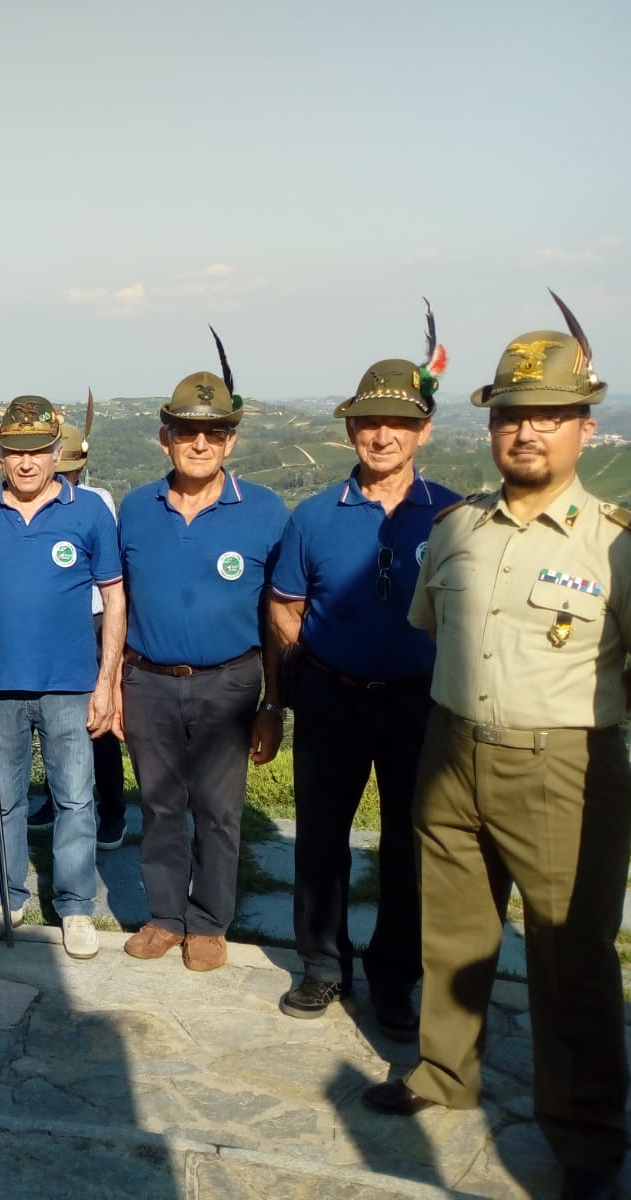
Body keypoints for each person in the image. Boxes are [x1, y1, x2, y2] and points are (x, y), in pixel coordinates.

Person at [362, 296, 631, 1200]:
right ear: (490, 427)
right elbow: (437, 629)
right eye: (513, 415)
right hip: (451, 748)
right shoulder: (457, 529)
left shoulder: (614, 545)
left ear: (585, 428)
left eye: (551, 415)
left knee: (570, 958)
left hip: (564, 766)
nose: (528, 431)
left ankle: (587, 1137)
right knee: (453, 928)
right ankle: (446, 1071)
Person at [266, 321, 458, 1034]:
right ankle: (322, 965)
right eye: (369, 423)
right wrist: (316, 662)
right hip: (332, 697)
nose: (383, 436)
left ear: (423, 431)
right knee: (321, 838)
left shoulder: (453, 516)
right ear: (350, 430)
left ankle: (395, 979)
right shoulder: (315, 516)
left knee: (412, 842)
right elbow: (284, 605)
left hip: (419, 703)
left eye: (399, 424)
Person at [117, 337, 287, 972]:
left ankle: (210, 921)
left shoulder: (265, 511)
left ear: (230, 441)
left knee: (218, 809)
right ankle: (165, 915)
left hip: (230, 683)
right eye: (186, 431)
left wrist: (274, 703)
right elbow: (118, 602)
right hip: (148, 681)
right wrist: (112, 684)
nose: (199, 443)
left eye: (214, 433)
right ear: (165, 438)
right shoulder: (136, 508)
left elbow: (278, 616)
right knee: (160, 804)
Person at [0, 396, 125, 961]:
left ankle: (76, 906)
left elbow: (114, 597)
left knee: (75, 799)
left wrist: (108, 681)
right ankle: (2, 897)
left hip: (70, 683)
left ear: (58, 453)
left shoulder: (90, 512)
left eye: (38, 451)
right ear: (0, 456)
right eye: (15, 452)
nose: (27, 462)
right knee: (2, 798)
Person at [53, 422, 128, 850]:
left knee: (98, 720)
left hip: (94, 621)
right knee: (53, 719)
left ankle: (112, 808)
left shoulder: (96, 500)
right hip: (58, 622)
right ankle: (58, 801)